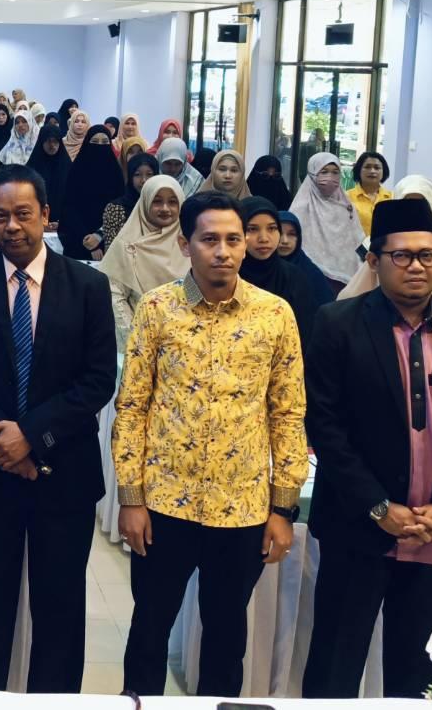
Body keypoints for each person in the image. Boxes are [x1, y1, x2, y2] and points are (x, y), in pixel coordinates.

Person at [302, 198, 432, 698]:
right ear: (375, 261)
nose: (417, 266)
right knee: (334, 668)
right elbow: (325, 427)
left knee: (418, 676)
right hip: (358, 528)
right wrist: (378, 507)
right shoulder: (337, 324)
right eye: (402, 255)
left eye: (427, 254)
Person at [114, 192, 308, 697]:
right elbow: (131, 407)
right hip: (164, 503)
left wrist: (282, 508)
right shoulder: (157, 309)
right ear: (186, 244)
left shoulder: (274, 314)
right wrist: (130, 499)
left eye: (233, 240)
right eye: (209, 240)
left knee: (225, 636)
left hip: (242, 507)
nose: (223, 251)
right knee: (149, 627)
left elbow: (288, 413)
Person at [0, 164, 116, 693]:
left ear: (45, 214)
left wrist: (32, 437)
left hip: (63, 476)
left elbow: (97, 380)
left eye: (22, 214)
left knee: (59, 613)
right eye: (0, 216)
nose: (12, 226)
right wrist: (4, 440)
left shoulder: (88, 285)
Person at [99, 174, 187, 344]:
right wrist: (137, 339)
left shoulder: (190, 244)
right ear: (145, 202)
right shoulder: (126, 245)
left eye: (172, 202)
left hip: (186, 341)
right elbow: (114, 296)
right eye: (157, 201)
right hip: (140, 339)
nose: (165, 208)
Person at [238, 196, 322, 344]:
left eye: (272, 228)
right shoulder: (227, 277)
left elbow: (306, 335)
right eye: (252, 229)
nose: (264, 238)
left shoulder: (294, 278)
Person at [290, 152, 366, 292]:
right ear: (312, 174)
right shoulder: (301, 207)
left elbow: (357, 239)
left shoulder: (346, 206)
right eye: (324, 172)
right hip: (310, 276)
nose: (330, 177)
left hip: (345, 279)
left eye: (335, 172)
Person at [55, 125, 124, 262]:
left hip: (109, 243)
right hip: (78, 242)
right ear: (87, 144)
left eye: (105, 142)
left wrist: (99, 236)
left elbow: (120, 209)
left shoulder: (116, 174)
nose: (100, 146)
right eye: (95, 142)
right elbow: (69, 209)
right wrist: (86, 239)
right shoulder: (76, 172)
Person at [85, 152, 159, 259]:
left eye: (149, 174)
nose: (144, 180)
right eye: (137, 175)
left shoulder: (162, 207)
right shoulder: (115, 209)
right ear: (130, 176)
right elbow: (111, 250)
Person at [275, 209, 336, 311]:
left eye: (291, 234)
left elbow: (328, 308)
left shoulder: (309, 271)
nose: (285, 241)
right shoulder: (262, 269)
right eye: (279, 233)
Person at [24, 124, 71, 222]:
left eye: (55, 141)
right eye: (48, 141)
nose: (52, 145)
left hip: (62, 221)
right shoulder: (31, 167)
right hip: (35, 219)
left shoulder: (67, 166)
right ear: (41, 141)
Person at [348, 150, 393, 235]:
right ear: (359, 170)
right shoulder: (346, 197)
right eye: (367, 167)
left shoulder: (392, 198)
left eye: (377, 168)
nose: (372, 171)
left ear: (383, 171)